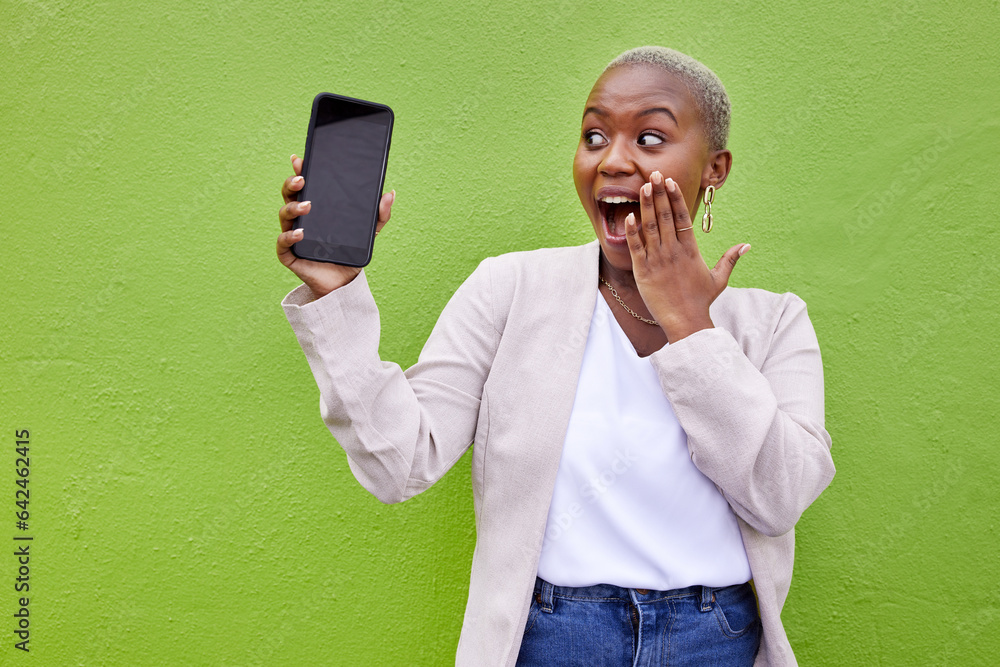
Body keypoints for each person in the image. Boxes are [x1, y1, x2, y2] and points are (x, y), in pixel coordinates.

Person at [276, 46, 834, 667]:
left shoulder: (774, 322)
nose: (613, 159)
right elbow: (398, 464)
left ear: (715, 168)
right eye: (594, 136)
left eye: (649, 138)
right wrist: (337, 295)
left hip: (715, 642)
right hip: (549, 640)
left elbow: (781, 497)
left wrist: (690, 325)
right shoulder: (508, 291)